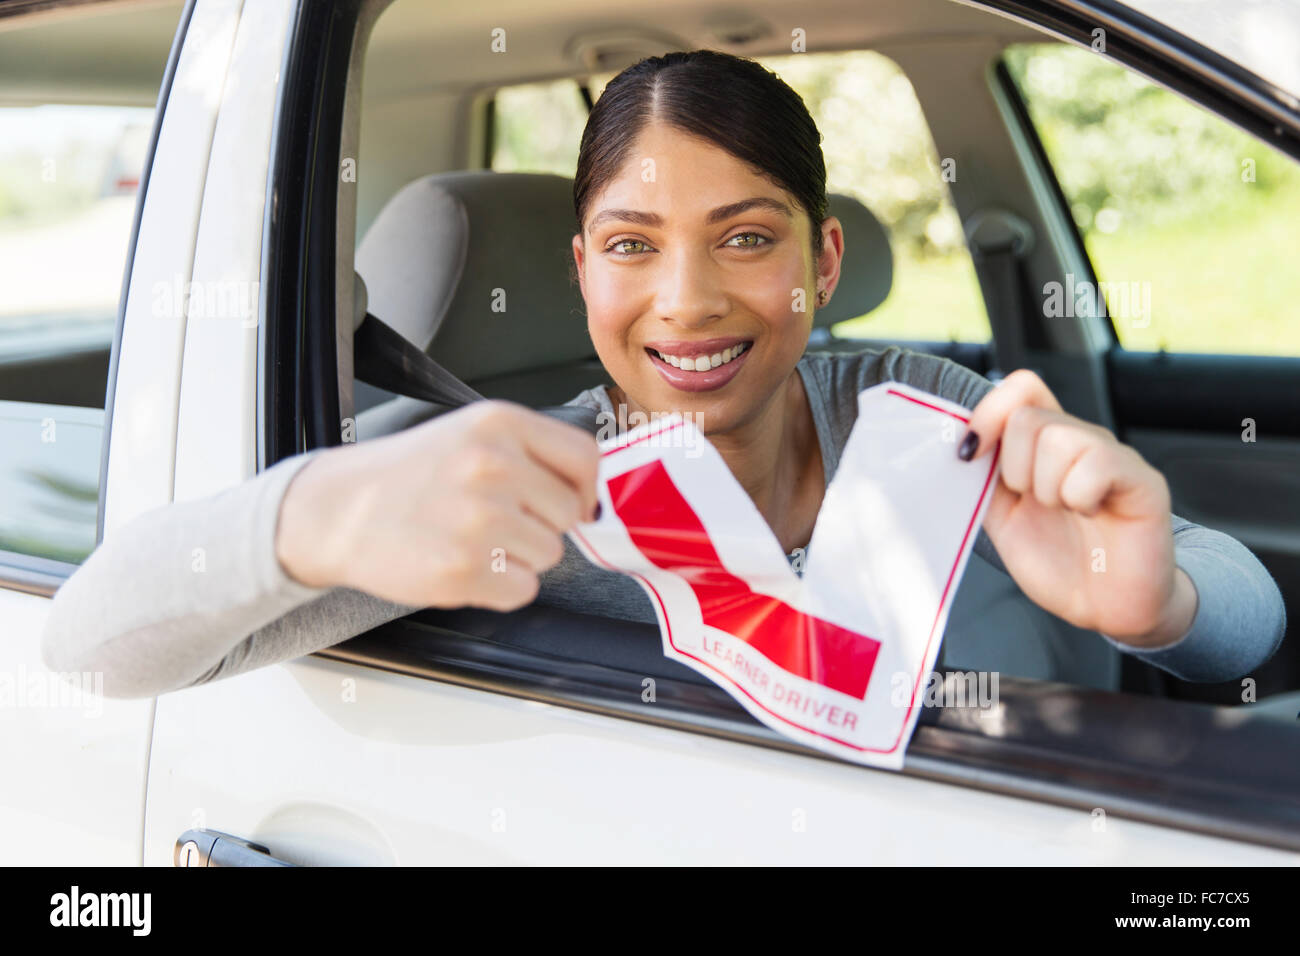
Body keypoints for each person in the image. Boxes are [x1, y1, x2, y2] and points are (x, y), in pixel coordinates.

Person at [42, 50, 1285, 699]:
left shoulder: (910, 410)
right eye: (633, 246)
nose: (687, 300)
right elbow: (93, 653)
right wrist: (314, 512)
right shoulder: (517, 494)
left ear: (822, 256)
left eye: (747, 238)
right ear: (582, 269)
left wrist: (1159, 603)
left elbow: (1246, 616)